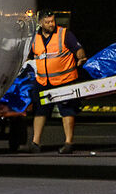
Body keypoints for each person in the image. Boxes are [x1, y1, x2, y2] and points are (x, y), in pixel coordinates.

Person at [28, 12, 84, 153]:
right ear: (40, 23)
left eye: (52, 21)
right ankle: (35, 143)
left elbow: (78, 49)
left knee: (67, 110)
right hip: (43, 81)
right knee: (40, 111)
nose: (51, 24)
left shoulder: (64, 34)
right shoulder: (34, 38)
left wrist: (81, 57)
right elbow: (29, 55)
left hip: (64, 80)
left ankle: (69, 143)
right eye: (47, 22)